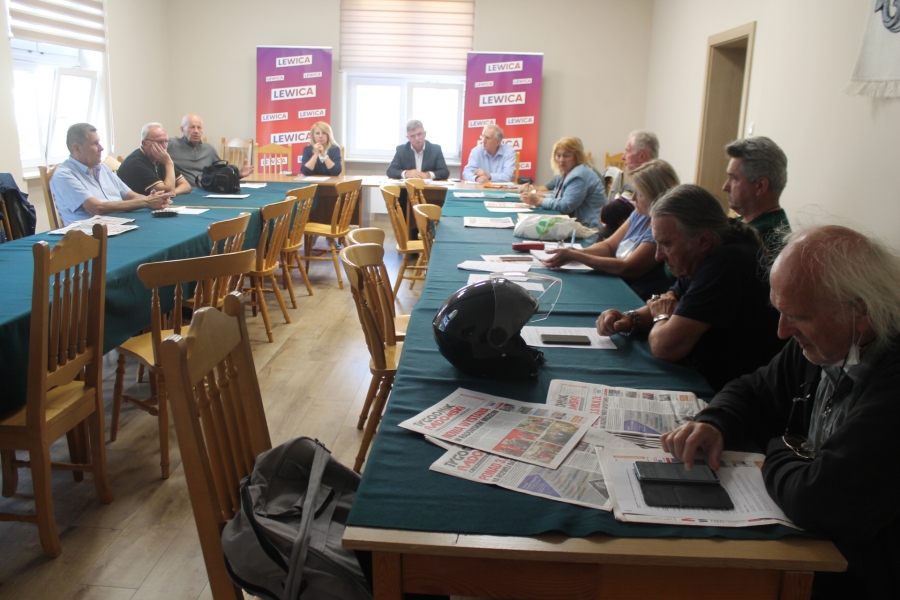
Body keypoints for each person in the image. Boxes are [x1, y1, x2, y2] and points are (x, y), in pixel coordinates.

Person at [660, 225, 900, 598]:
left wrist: (780, 446)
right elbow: (752, 389)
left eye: (798, 316)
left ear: (861, 312)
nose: (782, 331)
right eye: (780, 312)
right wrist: (715, 422)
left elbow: (818, 500)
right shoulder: (834, 340)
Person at [596, 184, 783, 392]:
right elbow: (670, 300)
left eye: (666, 245)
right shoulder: (708, 252)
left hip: (738, 392)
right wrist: (628, 319)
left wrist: (661, 317)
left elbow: (665, 347)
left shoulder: (726, 264)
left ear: (702, 240)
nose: (658, 256)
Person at [540, 159, 678, 300]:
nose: (633, 198)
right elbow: (609, 246)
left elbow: (628, 268)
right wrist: (575, 253)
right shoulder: (640, 213)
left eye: (640, 194)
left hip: (637, 294)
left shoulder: (662, 227)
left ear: (656, 197)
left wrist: (577, 256)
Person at [50, 123, 173, 225]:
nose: (101, 148)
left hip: (120, 224)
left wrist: (155, 199)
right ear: (76, 148)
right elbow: (97, 208)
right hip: (89, 235)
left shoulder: (103, 168)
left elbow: (131, 196)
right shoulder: (64, 175)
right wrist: (146, 202)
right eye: (95, 143)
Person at [519, 137, 608, 244]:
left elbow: (566, 206)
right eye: (558, 155)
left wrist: (539, 201)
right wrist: (538, 197)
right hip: (579, 228)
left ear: (577, 156)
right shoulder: (566, 172)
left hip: (589, 233)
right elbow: (558, 196)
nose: (561, 159)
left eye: (566, 155)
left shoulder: (579, 175)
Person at [723, 136, 790, 255]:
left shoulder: (759, 239)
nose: (725, 187)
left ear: (761, 186)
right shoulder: (745, 224)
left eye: (734, 178)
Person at [167, 114, 254, 185]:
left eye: (199, 127)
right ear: (182, 129)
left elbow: (223, 174)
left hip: (207, 191)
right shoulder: (171, 145)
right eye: (192, 127)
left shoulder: (209, 149)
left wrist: (239, 174)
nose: (196, 131)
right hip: (185, 192)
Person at [118, 122, 191, 196]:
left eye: (166, 141)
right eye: (160, 142)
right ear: (144, 143)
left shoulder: (160, 158)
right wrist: (169, 163)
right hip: (134, 203)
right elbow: (167, 191)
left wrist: (172, 192)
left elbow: (186, 186)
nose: (164, 146)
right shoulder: (136, 162)